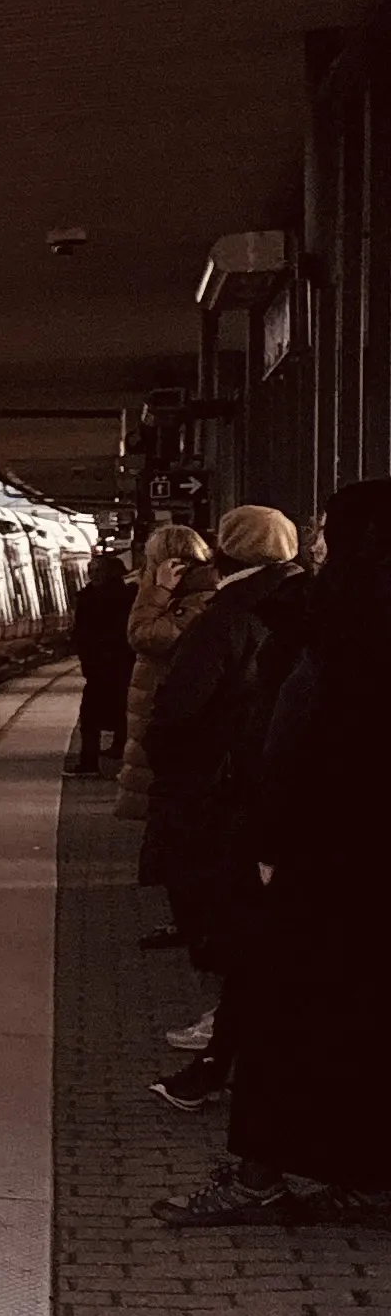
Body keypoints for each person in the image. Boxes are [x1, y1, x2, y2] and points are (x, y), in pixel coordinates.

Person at [161, 478, 391, 1224]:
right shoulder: (345, 621)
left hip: (318, 867)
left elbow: (299, 751)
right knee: (354, 1027)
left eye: (330, 529)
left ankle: (259, 1178)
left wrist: (267, 845)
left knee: (279, 1019)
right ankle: (359, 1173)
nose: (315, 541)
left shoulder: (346, 633)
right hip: (356, 869)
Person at [142, 506, 310, 1114]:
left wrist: (172, 767)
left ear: (229, 551)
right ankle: (222, 1060)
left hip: (227, 793)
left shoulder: (230, 615)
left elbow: (182, 707)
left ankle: (225, 1066)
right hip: (263, 791)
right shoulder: (305, 602)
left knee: (233, 924)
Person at [117, 521, 216, 819]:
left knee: (164, 827)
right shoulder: (184, 599)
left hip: (168, 728)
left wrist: (156, 590)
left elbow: (144, 636)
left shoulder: (196, 601)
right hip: (161, 728)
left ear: (170, 565)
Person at [69, 549, 137, 772]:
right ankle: (108, 752)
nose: (93, 575)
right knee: (112, 712)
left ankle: (91, 760)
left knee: (94, 715)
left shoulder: (96, 599)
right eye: (91, 571)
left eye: (98, 571)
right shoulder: (125, 597)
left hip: (112, 666)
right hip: (107, 666)